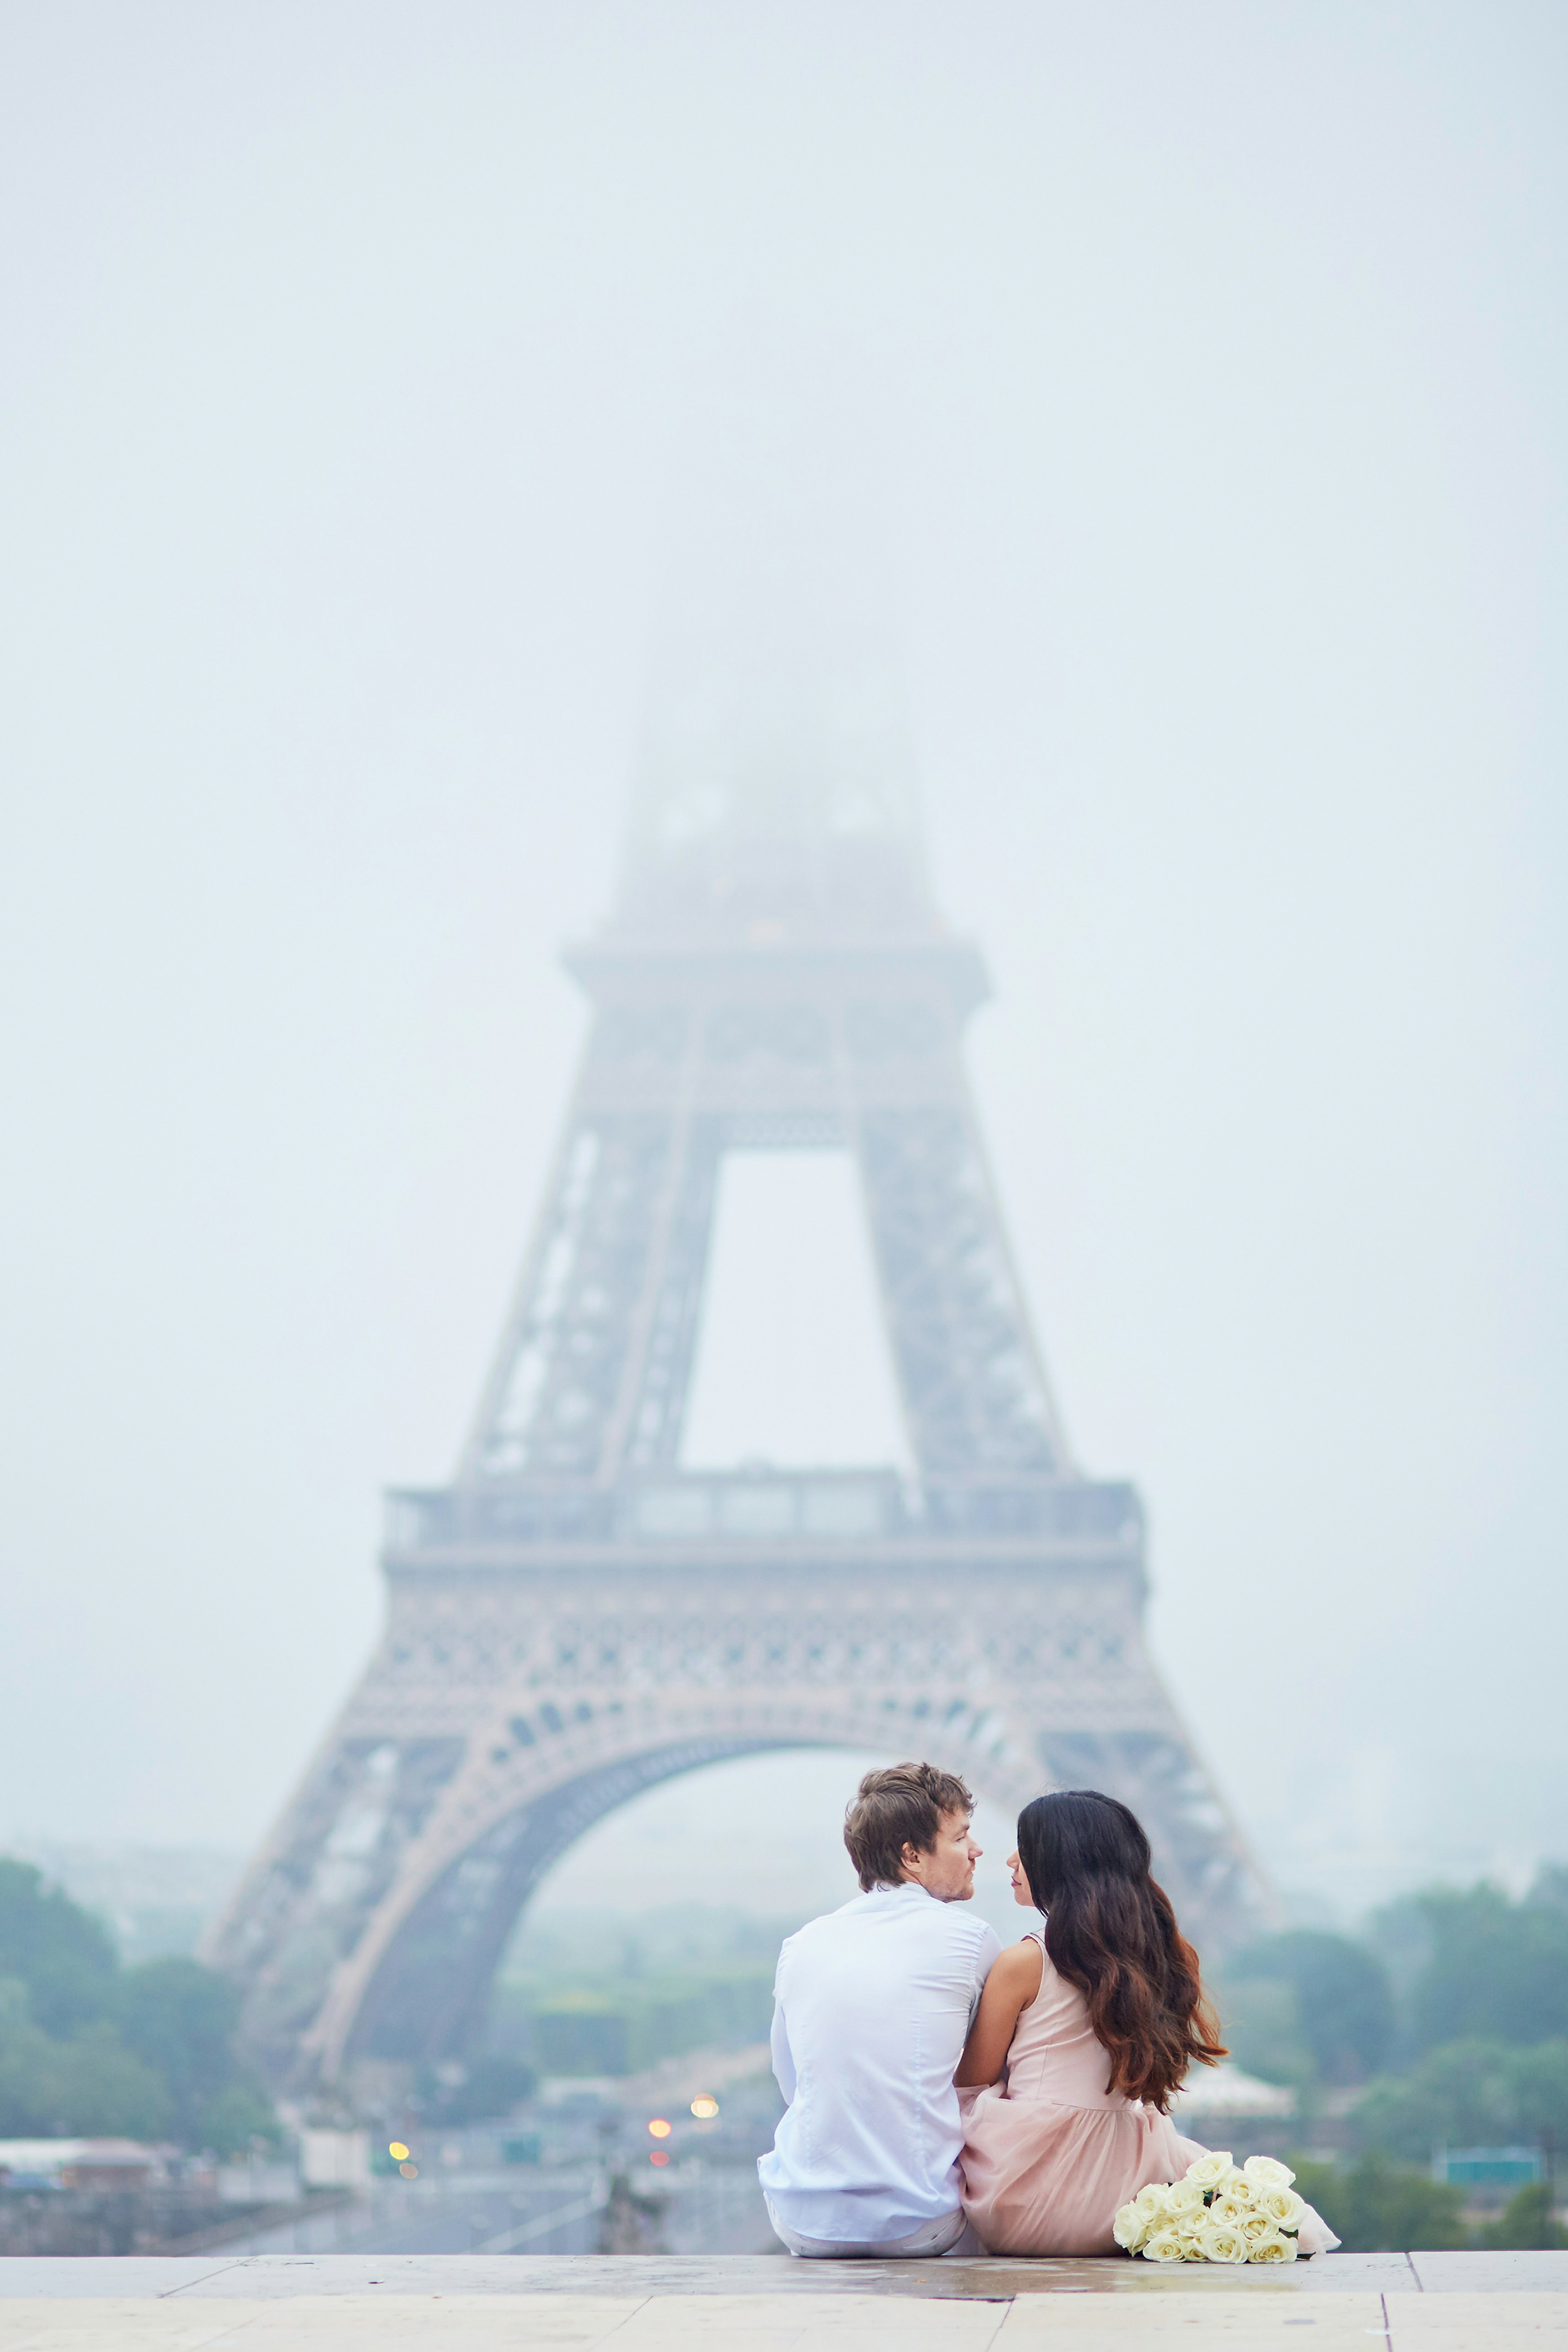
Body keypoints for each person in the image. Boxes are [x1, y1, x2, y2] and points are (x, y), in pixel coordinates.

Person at [956, 1788, 1340, 2257]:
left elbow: (970, 2084)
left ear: (1060, 1861)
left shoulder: (1024, 1962)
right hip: (1124, 2198)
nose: (1012, 1860)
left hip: (1022, 2200)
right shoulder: (1157, 1957)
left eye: (1026, 1846)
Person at [757, 1762, 1001, 2258]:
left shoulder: (801, 1944)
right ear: (913, 1856)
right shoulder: (971, 1939)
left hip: (804, 2224)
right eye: (961, 1838)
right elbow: (987, 2080)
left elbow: (794, 2082)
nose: (977, 1851)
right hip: (921, 2224)